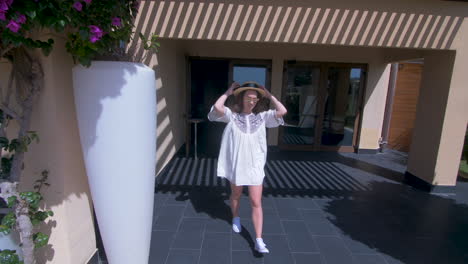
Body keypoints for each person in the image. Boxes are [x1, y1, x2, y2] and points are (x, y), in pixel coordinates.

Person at [207, 81, 287, 253]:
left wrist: (270, 95)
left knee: (256, 201)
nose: (252, 101)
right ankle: (236, 217)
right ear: (242, 98)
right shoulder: (232, 116)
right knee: (235, 195)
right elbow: (217, 106)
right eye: (248, 97)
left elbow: (282, 111)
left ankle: (259, 240)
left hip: (255, 166)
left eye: (255, 98)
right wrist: (228, 92)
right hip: (237, 165)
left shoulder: (263, 117)